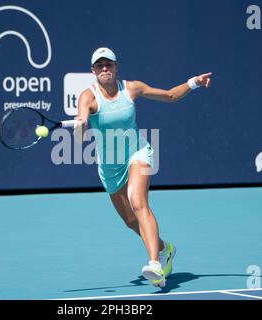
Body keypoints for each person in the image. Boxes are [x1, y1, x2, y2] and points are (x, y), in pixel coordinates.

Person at [74, 47, 212, 287]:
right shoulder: (88, 96)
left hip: (137, 152)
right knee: (130, 220)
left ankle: (155, 263)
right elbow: (80, 135)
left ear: (116, 67)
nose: (104, 68)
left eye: (109, 64)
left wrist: (194, 83)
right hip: (110, 165)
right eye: (99, 65)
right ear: (93, 71)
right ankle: (164, 248)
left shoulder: (132, 88)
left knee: (138, 201)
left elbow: (169, 96)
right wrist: (81, 125)